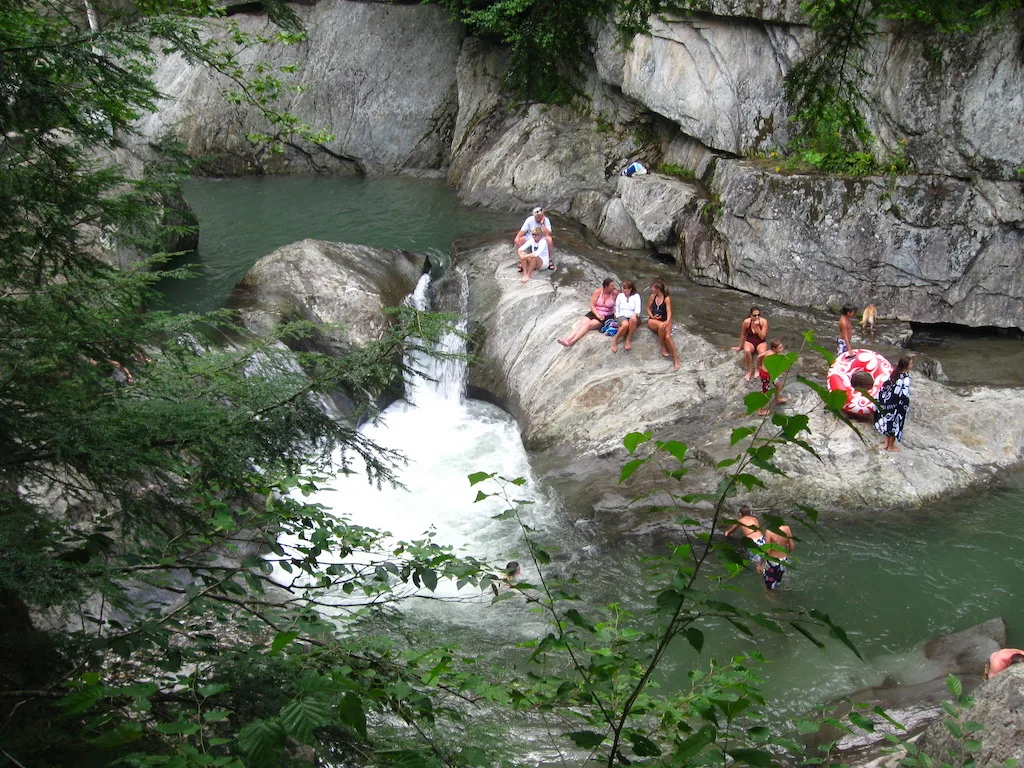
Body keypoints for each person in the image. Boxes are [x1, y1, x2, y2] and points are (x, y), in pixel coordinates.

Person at [557, 278, 618, 347]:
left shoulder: (615, 293)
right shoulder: (598, 292)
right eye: (612, 286)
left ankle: (571, 342)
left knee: (588, 325)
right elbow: (592, 305)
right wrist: (597, 315)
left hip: (606, 316)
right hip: (595, 312)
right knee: (581, 323)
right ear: (606, 286)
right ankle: (567, 339)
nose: (614, 287)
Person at [874, 357, 912, 452]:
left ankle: (887, 443)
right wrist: (905, 406)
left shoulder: (894, 374)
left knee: (888, 422)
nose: (912, 365)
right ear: (906, 366)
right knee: (896, 425)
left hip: (889, 403)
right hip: (898, 405)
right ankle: (891, 446)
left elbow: (885, 387)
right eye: (911, 364)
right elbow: (904, 393)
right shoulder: (905, 378)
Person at [646, 281, 680, 371]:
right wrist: (652, 316)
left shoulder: (666, 298)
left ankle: (676, 359)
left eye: (653, 288)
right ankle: (662, 345)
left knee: (668, 336)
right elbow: (648, 309)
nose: (651, 289)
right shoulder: (652, 297)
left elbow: (669, 312)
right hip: (653, 320)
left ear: (657, 290)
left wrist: (667, 321)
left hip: (664, 320)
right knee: (661, 326)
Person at [732, 307, 768, 381]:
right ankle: (749, 370)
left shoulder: (764, 322)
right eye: (755, 315)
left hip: (760, 341)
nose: (757, 317)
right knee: (747, 351)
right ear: (750, 315)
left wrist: (758, 327)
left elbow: (762, 337)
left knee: (761, 352)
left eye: (758, 315)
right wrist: (739, 346)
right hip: (750, 340)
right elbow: (743, 334)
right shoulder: (746, 322)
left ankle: (757, 369)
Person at [514, 206, 555, 271]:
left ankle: (550, 260)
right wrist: (517, 238)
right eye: (539, 217)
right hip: (530, 239)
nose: (540, 218)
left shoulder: (546, 220)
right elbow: (522, 231)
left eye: (541, 216)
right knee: (519, 240)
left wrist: (542, 224)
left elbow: (548, 234)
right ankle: (521, 261)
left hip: (541, 239)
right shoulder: (529, 220)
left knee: (549, 239)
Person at [755, 339, 788, 415]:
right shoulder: (772, 356)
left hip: (771, 375)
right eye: (780, 348)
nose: (782, 349)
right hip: (766, 376)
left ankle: (777, 398)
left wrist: (758, 366)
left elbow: (759, 356)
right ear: (774, 349)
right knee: (765, 393)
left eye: (781, 347)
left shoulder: (768, 351)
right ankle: (760, 410)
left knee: (779, 385)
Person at [611, 280, 641, 353]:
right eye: (622, 288)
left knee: (633, 321)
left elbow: (638, 308)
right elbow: (616, 307)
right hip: (622, 315)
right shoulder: (620, 296)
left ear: (630, 289)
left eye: (625, 289)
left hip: (633, 315)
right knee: (625, 325)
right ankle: (615, 340)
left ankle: (628, 339)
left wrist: (634, 315)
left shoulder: (636, 296)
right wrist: (617, 316)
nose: (623, 290)